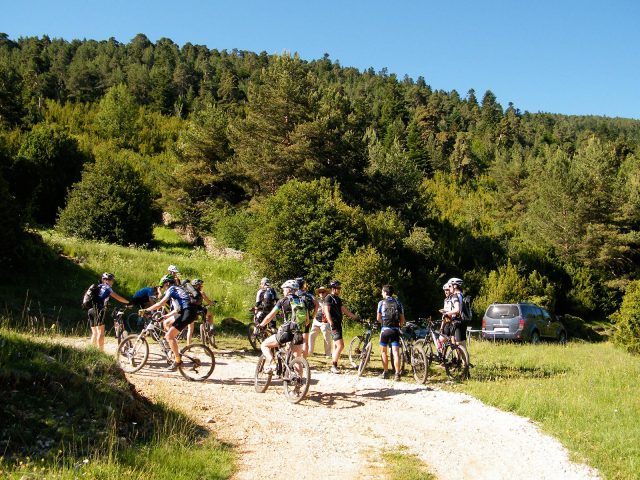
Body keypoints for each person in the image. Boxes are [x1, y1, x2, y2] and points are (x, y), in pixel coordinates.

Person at [144, 275, 198, 370]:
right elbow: (177, 309)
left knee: (169, 336)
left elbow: (160, 303)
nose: (164, 288)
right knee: (169, 331)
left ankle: (178, 361)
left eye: (164, 286)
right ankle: (175, 352)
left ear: (167, 283)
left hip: (188, 313)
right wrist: (165, 316)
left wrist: (146, 310)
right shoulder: (178, 290)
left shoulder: (172, 289)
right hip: (188, 312)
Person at [257, 280, 307, 371]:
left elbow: (270, 316)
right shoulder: (302, 301)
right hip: (299, 332)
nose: (283, 291)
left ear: (288, 290)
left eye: (284, 289)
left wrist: (261, 325)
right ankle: (299, 382)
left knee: (264, 345)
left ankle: (272, 363)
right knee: (297, 359)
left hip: (286, 332)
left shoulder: (283, 301)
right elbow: (307, 321)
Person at [323, 280, 359, 373]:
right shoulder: (328, 298)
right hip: (333, 324)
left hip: (338, 324)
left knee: (336, 346)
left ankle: (335, 364)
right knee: (341, 345)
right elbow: (327, 311)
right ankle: (333, 366)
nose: (339, 290)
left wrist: (356, 318)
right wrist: (331, 323)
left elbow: (345, 311)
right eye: (337, 288)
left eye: (340, 288)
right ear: (333, 288)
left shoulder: (338, 299)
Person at [87, 272, 129, 351]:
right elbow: (117, 297)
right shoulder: (107, 288)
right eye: (111, 280)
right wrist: (128, 302)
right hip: (99, 310)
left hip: (90, 310)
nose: (112, 282)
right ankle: (101, 352)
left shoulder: (98, 286)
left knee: (95, 333)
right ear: (106, 280)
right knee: (101, 333)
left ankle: (91, 351)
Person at [377, 284, 406, 381]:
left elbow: (378, 318)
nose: (381, 293)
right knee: (395, 353)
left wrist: (384, 323)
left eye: (382, 291)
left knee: (383, 352)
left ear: (385, 292)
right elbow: (402, 320)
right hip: (395, 330)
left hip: (385, 330)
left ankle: (386, 372)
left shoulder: (381, 303)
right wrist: (399, 326)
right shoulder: (398, 303)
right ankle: (397, 374)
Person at [443, 277, 470, 365]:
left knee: (458, 346)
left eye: (450, 286)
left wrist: (447, 314)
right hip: (463, 321)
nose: (449, 288)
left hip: (457, 322)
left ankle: (464, 368)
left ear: (455, 286)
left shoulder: (455, 296)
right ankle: (464, 366)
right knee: (463, 345)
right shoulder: (461, 295)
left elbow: (457, 309)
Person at [185, 278, 215, 345]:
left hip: (190, 310)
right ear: (198, 285)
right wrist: (212, 303)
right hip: (199, 309)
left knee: (190, 329)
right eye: (201, 285)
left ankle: (188, 346)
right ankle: (211, 328)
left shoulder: (188, 293)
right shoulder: (201, 293)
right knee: (210, 315)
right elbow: (209, 302)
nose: (201, 286)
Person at [295, 277, 318, 358]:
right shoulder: (308, 294)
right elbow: (317, 304)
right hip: (307, 319)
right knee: (305, 341)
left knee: (293, 340)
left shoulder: (294, 294)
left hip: (296, 319)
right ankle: (304, 361)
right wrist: (313, 315)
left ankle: (293, 359)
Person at [308, 286, 332, 357]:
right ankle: (310, 352)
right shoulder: (316, 300)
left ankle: (328, 354)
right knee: (311, 335)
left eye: (323, 292)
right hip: (316, 320)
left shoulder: (329, 300)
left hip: (325, 321)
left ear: (326, 293)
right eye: (320, 292)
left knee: (326, 337)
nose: (321, 293)